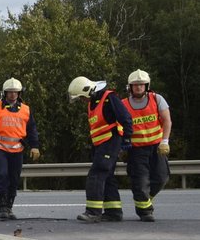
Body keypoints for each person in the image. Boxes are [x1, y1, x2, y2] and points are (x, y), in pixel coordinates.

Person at [67, 76, 134, 223]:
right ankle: (114, 212)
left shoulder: (109, 98)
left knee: (96, 174)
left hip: (111, 142)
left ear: (88, 91)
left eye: (82, 97)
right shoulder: (93, 103)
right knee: (107, 176)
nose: (82, 101)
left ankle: (93, 212)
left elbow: (126, 118)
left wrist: (127, 140)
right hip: (102, 146)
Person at [0, 78, 40, 220]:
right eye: (10, 92)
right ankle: (2, 208)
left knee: (14, 179)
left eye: (15, 92)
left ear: (19, 93)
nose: (12, 95)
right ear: (4, 93)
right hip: (0, 149)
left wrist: (35, 146)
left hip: (17, 150)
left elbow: (32, 130)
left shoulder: (26, 110)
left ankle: (9, 207)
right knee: (1, 175)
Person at [122, 69, 172, 222]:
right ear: (130, 87)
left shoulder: (157, 99)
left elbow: (167, 121)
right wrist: (122, 146)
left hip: (157, 147)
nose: (138, 87)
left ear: (146, 85)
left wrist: (165, 141)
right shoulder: (123, 104)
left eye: (141, 85)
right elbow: (119, 127)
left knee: (162, 178)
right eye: (135, 85)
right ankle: (144, 211)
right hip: (136, 150)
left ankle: (145, 199)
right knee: (140, 181)